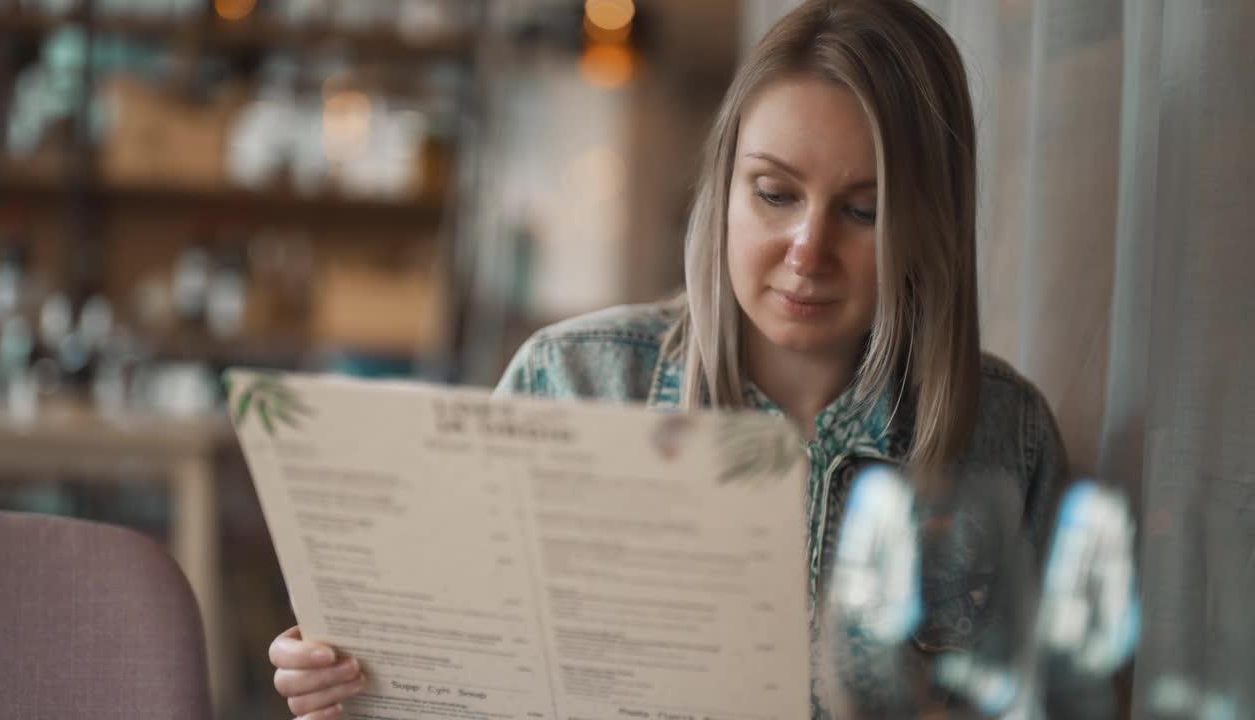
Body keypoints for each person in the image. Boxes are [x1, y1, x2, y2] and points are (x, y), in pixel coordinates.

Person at [268, 0, 1066, 717]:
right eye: (775, 193)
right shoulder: (570, 382)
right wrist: (347, 686)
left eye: (864, 210)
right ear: (722, 189)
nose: (808, 250)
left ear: (931, 224)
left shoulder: (1009, 439)